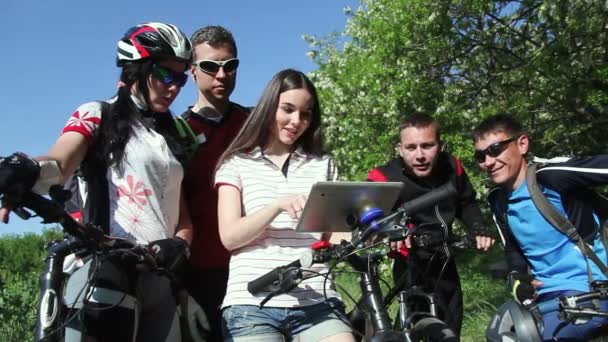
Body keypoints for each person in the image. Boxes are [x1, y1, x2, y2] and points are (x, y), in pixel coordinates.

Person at [0, 22, 193, 341]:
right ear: (136, 69)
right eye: (166, 74)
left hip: (159, 280)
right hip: (105, 268)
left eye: (182, 77)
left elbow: (181, 213)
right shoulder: (98, 113)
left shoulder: (171, 137)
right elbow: (59, 164)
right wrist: (22, 169)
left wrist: (181, 243)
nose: (175, 87)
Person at [214, 69, 354, 342]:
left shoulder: (323, 164)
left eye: (306, 113)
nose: (296, 121)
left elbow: (333, 234)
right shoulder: (236, 164)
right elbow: (230, 237)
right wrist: (277, 206)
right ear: (269, 107)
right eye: (287, 110)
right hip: (252, 303)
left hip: (317, 299)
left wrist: (358, 232)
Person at [473, 114, 608, 341]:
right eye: (481, 155)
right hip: (545, 298)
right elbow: (513, 251)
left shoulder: (551, 177)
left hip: (588, 291)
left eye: (496, 149)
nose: (488, 162)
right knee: (499, 335)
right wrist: (517, 281)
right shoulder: (498, 201)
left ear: (522, 144)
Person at [366, 112, 495, 335]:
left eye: (427, 146)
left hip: (445, 260)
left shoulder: (452, 166)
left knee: (450, 329)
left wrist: (478, 228)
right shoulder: (384, 176)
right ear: (400, 149)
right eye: (411, 147)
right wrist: (394, 230)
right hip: (410, 264)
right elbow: (368, 215)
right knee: (413, 327)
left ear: (440, 145)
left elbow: (466, 202)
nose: (420, 155)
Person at [180, 25, 250, 342]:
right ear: (192, 71)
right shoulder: (174, 133)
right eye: (210, 66)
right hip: (197, 273)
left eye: (230, 65)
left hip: (251, 268)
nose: (222, 74)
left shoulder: (256, 125)